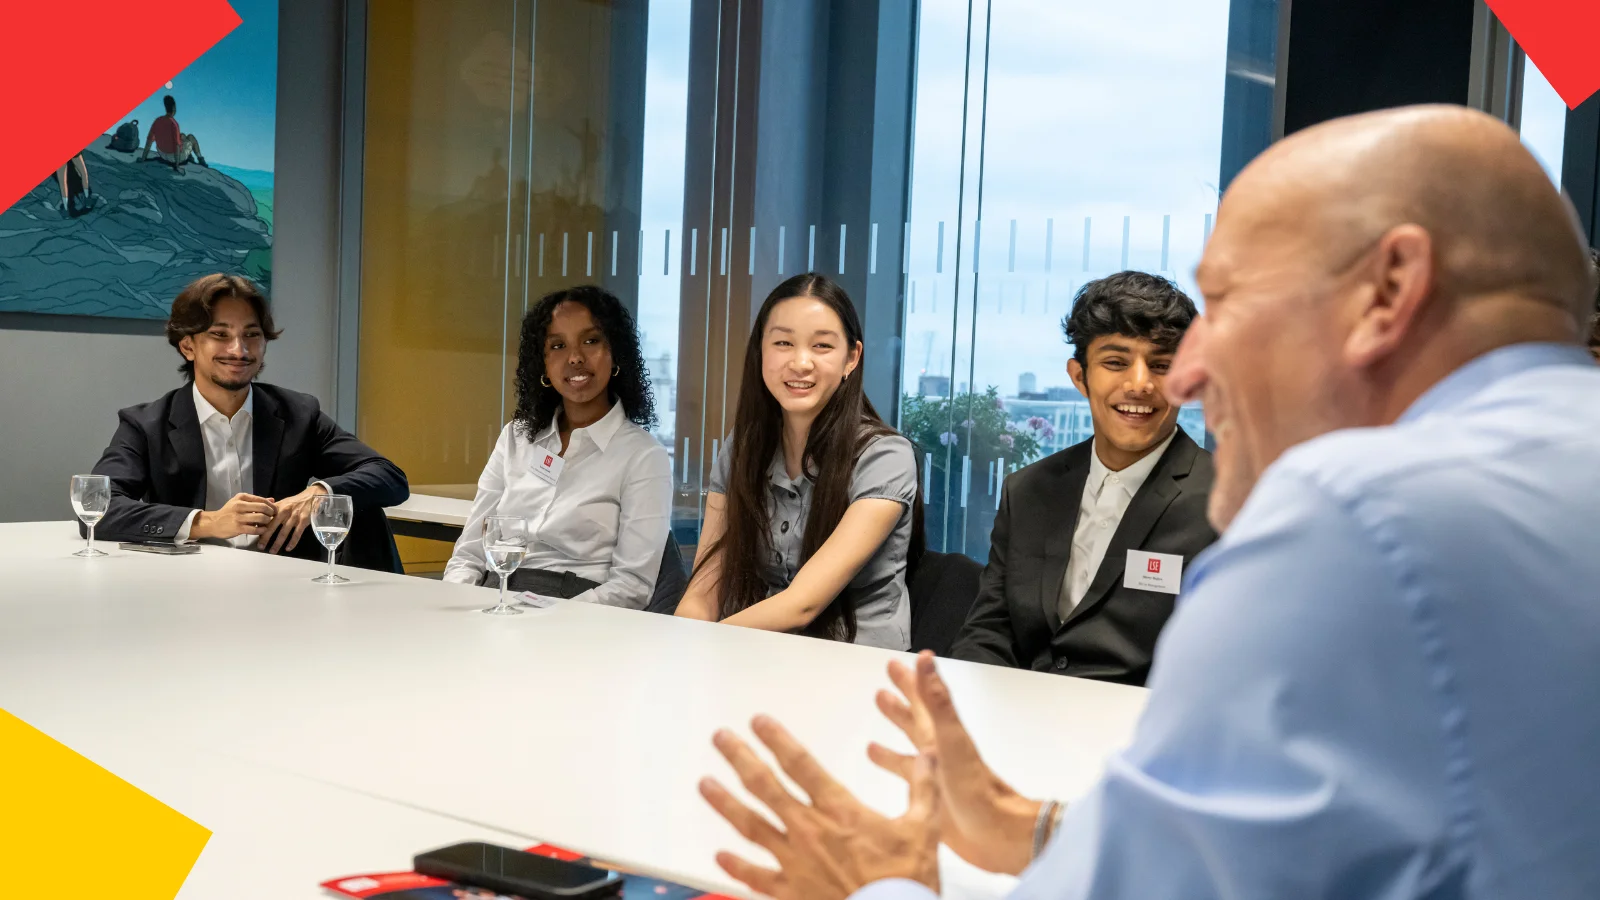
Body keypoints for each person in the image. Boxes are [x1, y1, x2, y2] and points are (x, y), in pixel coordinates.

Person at [696, 105, 1600, 899]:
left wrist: (871, 887)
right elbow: (1326, 839)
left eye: (1229, 300)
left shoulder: (1352, 514)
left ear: (1390, 290)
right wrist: (1039, 830)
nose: (1187, 376)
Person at [951, 271, 1216, 684]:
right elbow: (990, 630)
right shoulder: (1028, 490)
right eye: (1116, 363)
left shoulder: (1227, 499)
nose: (1139, 384)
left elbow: (1229, 660)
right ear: (1080, 376)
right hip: (1022, 710)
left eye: (1162, 365)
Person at [91, 274, 409, 571]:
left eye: (252, 335)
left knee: (364, 509)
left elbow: (388, 476)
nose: (239, 350)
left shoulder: (298, 413)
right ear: (188, 346)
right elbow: (99, 509)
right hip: (187, 581)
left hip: (286, 582)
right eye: (220, 334)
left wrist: (319, 492)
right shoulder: (145, 424)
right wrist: (209, 522)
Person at [675, 273, 923, 650]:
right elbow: (705, 586)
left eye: (822, 345)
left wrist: (710, 643)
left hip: (854, 663)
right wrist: (682, 645)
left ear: (851, 358)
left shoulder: (886, 456)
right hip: (761, 652)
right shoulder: (744, 447)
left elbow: (802, 605)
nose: (800, 362)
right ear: (761, 351)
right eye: (783, 343)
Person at [442, 286, 673, 605]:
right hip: (494, 598)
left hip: (577, 610)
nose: (575, 357)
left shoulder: (643, 455)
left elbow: (632, 586)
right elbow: (469, 555)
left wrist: (553, 616)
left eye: (591, 341)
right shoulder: (516, 437)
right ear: (543, 364)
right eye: (558, 345)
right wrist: (457, 604)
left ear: (615, 353)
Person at [139, 95, 208, 171]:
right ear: (174, 108)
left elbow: (149, 141)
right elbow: (176, 146)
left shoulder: (157, 120)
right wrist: (177, 166)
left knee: (182, 135)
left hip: (162, 153)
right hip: (173, 158)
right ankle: (200, 159)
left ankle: (189, 156)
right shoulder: (174, 124)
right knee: (191, 137)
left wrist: (143, 158)